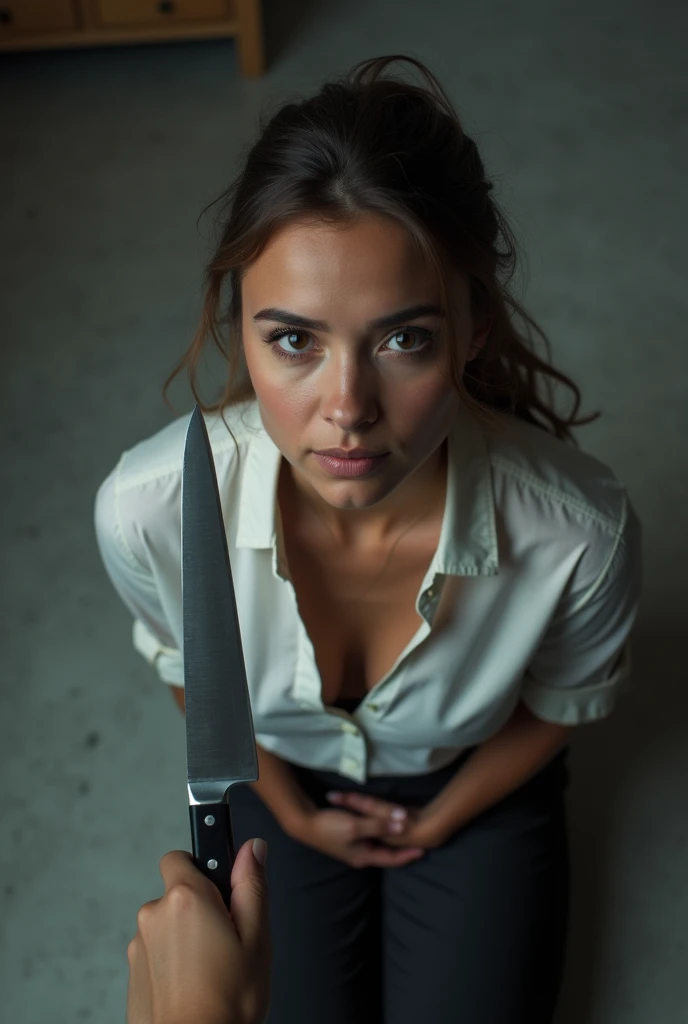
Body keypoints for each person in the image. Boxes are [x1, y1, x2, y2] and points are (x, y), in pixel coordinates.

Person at [94, 53, 643, 1024]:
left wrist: (444, 812)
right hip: (272, 778)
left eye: (403, 339)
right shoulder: (150, 507)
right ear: (242, 328)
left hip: (472, 783)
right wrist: (293, 812)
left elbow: (561, 699)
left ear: (472, 326)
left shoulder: (577, 535)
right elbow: (192, 669)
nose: (345, 409)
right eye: (294, 339)